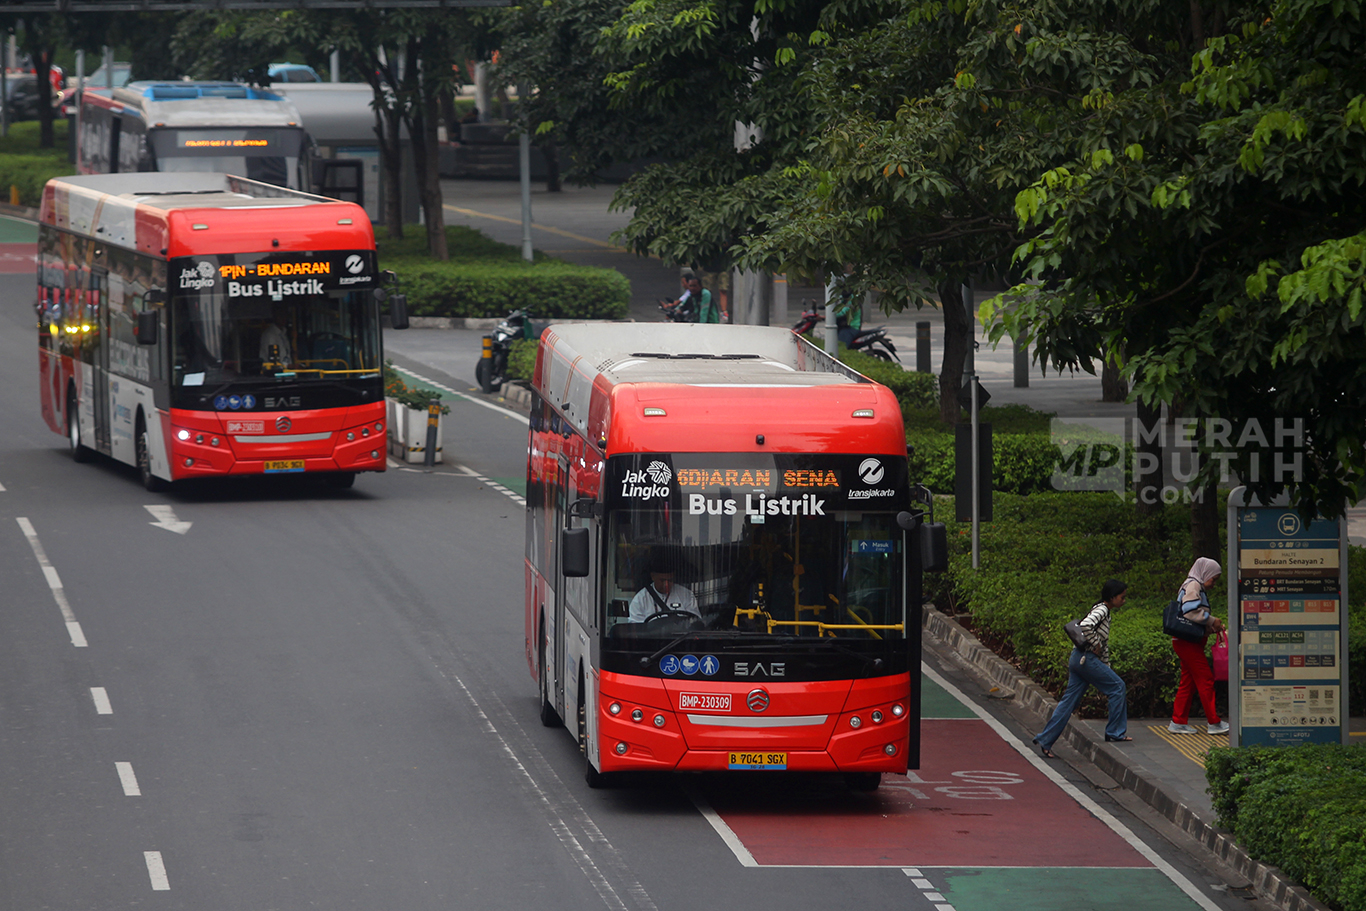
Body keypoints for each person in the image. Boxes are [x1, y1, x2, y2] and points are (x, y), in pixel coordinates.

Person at [1033, 579, 1131, 759]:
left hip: (1078, 659)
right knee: (1118, 687)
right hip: (1087, 660)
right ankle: (1115, 732)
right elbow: (1086, 625)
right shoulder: (1102, 610)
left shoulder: (1101, 609)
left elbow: (1103, 645)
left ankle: (1045, 740)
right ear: (1112, 597)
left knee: (1067, 703)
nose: (1124, 601)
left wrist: (1105, 665)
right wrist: (1095, 644)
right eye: (1122, 597)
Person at [1168, 557, 1228, 734]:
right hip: (1188, 643)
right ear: (1205, 573)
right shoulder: (1193, 585)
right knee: (1206, 679)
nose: (1213, 583)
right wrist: (1211, 620)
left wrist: (1211, 626)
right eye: (1213, 579)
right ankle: (1214, 722)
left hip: (1184, 642)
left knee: (1188, 681)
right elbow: (1190, 611)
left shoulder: (1194, 585)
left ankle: (1178, 721)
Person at [628, 552, 700, 622]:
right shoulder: (640, 599)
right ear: (653, 576)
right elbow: (636, 628)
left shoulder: (686, 595)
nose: (666, 585)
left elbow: (695, 622)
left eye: (670, 580)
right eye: (662, 580)